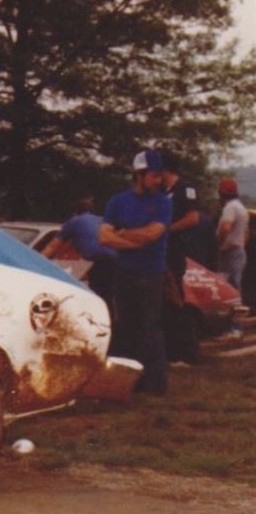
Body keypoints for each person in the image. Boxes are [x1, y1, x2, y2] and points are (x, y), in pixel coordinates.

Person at [99, 150, 172, 394]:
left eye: (160, 176)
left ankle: (155, 384)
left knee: (150, 327)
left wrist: (121, 233)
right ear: (139, 175)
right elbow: (103, 236)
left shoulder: (163, 202)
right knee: (126, 327)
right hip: (125, 271)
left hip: (152, 272)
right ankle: (128, 383)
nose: (158, 181)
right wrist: (135, 239)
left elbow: (153, 235)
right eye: (153, 175)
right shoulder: (118, 201)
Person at [160, 158, 202, 365]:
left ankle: (186, 351)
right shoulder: (163, 193)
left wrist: (165, 231)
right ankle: (171, 349)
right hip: (161, 252)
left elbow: (193, 218)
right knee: (165, 302)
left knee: (176, 299)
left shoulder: (185, 189)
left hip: (174, 250)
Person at [45, 197, 117, 312]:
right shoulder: (103, 220)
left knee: (98, 295)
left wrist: (36, 259)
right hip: (118, 259)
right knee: (110, 294)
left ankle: (105, 324)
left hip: (99, 259)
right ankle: (114, 323)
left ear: (74, 213)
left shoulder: (74, 221)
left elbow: (53, 246)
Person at [215, 178, 248, 293]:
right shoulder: (241, 208)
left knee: (227, 288)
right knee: (235, 286)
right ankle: (237, 310)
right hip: (239, 251)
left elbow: (225, 227)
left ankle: (231, 310)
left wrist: (218, 244)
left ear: (221, 192)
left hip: (229, 252)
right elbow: (246, 232)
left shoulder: (230, 208)